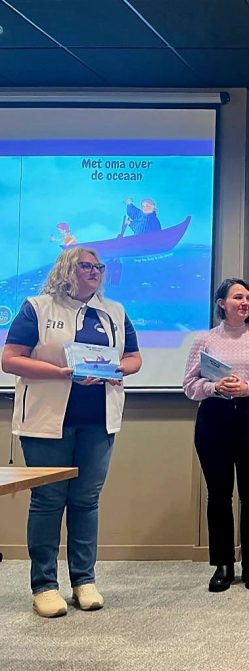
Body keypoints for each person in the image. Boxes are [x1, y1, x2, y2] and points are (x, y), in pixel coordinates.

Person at [1, 247, 142, 618]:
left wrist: (118, 369)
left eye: (99, 266)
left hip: (98, 420)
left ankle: (84, 580)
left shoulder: (115, 311)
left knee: (86, 501)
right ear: (66, 268)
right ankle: (44, 585)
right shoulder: (37, 307)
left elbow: (133, 358)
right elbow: (10, 359)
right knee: (48, 501)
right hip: (46, 422)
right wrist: (61, 373)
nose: (95, 271)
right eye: (86, 265)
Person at [183, 278, 249, 592]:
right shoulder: (204, 339)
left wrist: (246, 387)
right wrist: (215, 386)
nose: (245, 303)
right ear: (221, 303)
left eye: (248, 298)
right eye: (238, 297)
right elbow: (189, 386)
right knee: (219, 494)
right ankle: (223, 564)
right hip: (214, 420)